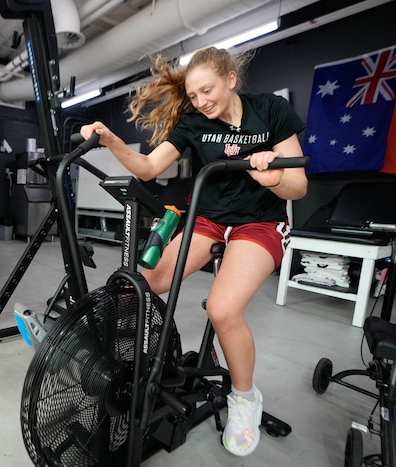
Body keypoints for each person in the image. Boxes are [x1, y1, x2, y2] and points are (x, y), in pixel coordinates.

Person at [80, 46, 307, 457]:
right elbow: (150, 168)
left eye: (208, 91)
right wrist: (111, 141)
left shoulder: (271, 111)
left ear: (231, 79)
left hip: (259, 221)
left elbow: (298, 187)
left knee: (221, 309)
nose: (201, 102)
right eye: (194, 94)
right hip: (209, 218)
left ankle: (244, 398)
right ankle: (121, 363)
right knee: (144, 283)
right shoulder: (192, 123)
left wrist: (271, 176)